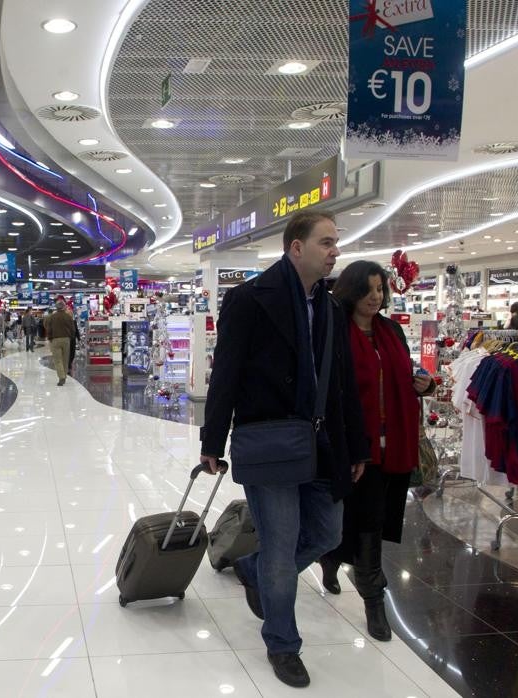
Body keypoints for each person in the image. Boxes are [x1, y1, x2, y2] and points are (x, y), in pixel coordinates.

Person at [200, 210, 368, 689]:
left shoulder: (332, 308)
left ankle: (254, 570)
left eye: (336, 242)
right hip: (271, 441)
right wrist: (212, 440)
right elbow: (226, 373)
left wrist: (356, 444)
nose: (336, 250)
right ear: (296, 247)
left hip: (321, 442)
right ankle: (282, 642)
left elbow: (342, 386)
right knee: (280, 542)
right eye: (327, 242)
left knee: (326, 534)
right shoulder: (250, 299)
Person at [318, 261, 435, 642]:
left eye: (380, 290)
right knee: (367, 522)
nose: (375, 297)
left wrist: (424, 385)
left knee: (372, 520)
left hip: (395, 445)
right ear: (351, 291)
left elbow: (403, 376)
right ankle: (373, 600)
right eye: (368, 289)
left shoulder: (391, 331)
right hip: (357, 446)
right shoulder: (335, 330)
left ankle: (331, 558)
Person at [46, 298, 75, 386]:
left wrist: (50, 338)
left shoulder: (52, 317)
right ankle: (64, 376)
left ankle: (61, 377)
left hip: (55, 340)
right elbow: (72, 329)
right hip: (66, 340)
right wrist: (71, 337)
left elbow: (49, 328)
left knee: (58, 360)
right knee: (65, 359)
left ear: (56, 307)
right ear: (64, 307)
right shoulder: (68, 317)